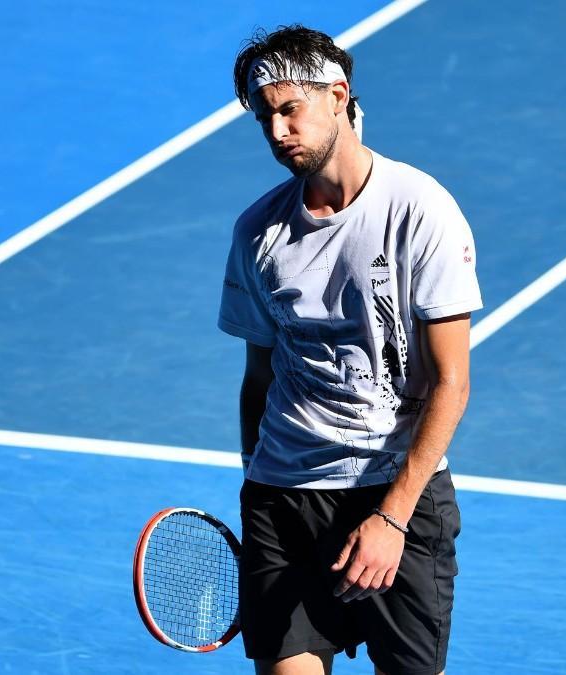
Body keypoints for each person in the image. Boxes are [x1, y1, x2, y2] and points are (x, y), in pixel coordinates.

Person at [218, 25, 482, 675]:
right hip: (284, 495)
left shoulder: (421, 210)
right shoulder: (257, 230)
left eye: (289, 109)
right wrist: (257, 474)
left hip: (393, 492)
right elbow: (259, 373)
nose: (278, 131)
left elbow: (451, 382)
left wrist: (391, 519)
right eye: (264, 117)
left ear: (337, 96)